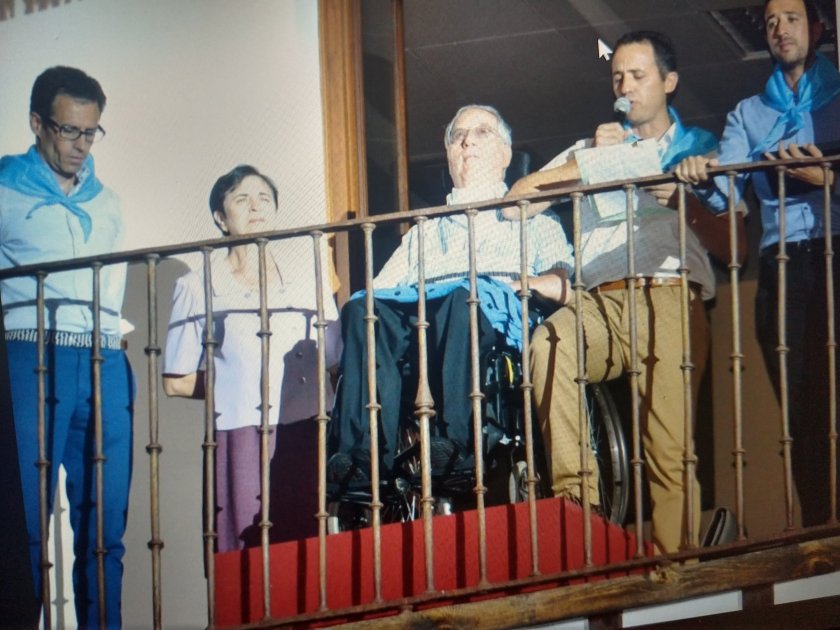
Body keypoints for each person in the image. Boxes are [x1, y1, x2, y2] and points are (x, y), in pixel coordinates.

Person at [508, 31, 734, 553]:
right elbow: (518, 201)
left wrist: (684, 199)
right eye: (617, 78)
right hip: (599, 301)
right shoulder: (592, 147)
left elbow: (735, 244)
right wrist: (589, 163)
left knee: (668, 448)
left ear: (669, 82)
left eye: (638, 75)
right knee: (551, 345)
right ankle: (580, 516)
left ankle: (677, 566)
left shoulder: (703, 148)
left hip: (669, 293)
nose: (626, 87)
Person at [329, 104, 574, 479]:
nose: (467, 142)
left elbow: (563, 283)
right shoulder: (423, 232)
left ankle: (456, 446)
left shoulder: (535, 218)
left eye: (481, 133)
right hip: (424, 334)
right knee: (363, 309)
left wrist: (515, 286)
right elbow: (381, 291)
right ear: (448, 155)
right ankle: (363, 459)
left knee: (462, 299)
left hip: (490, 324)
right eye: (457, 136)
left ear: (505, 154)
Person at [675, 0, 840, 527]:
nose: (779, 29)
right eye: (770, 22)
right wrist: (700, 177)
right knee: (801, 406)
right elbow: (728, 194)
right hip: (782, 265)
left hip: (837, 251)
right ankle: (820, 531)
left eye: (791, 18)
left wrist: (828, 180)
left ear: (817, 27)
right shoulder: (749, 113)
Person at [0, 66, 132, 627]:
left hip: (103, 359)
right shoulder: (4, 189)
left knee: (105, 522)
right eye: (69, 130)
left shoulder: (108, 202)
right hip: (29, 354)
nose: (81, 145)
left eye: (91, 132)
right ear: (37, 123)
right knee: (24, 523)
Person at [163, 165, 342, 552]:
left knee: (308, 549)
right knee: (245, 549)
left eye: (264, 198)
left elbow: (332, 357)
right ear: (220, 217)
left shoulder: (307, 278)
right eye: (242, 199)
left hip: (305, 428)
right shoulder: (198, 284)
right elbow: (175, 380)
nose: (256, 207)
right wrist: (233, 381)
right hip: (240, 433)